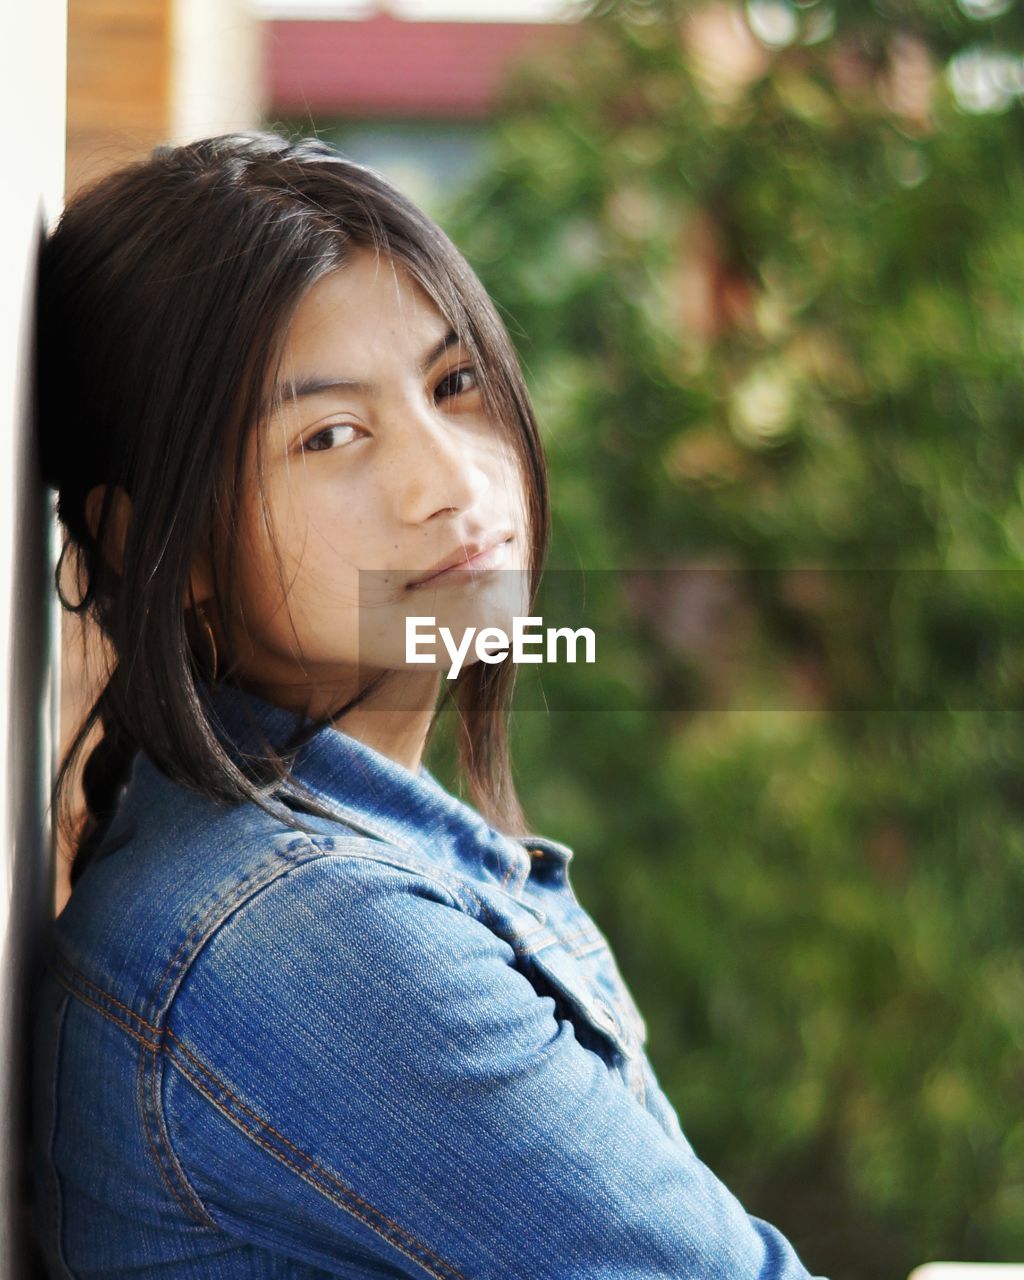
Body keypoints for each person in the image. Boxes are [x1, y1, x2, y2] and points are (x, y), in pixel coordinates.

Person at [31, 131, 823, 1279]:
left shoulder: (298, 870)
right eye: (330, 435)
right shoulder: (305, 934)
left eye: (456, 384)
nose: (453, 482)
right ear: (153, 542)